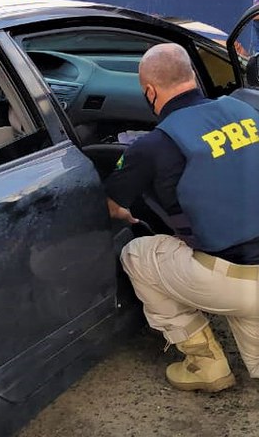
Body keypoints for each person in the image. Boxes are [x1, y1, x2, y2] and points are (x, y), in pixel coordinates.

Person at [105, 42, 259, 392]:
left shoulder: (153, 145)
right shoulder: (245, 110)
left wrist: (128, 212)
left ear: (149, 91)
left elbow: (112, 207)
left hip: (234, 284)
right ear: (192, 76)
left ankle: (205, 364)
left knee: (137, 254)